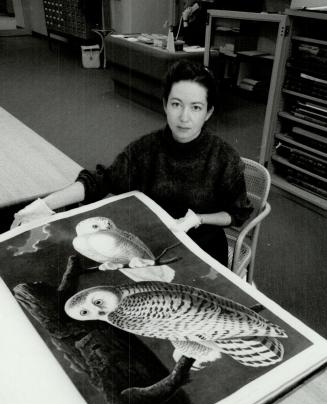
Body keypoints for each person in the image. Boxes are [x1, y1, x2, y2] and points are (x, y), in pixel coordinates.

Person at [11, 60, 253, 267]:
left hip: (202, 247)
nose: (184, 117)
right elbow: (100, 181)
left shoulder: (224, 158)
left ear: (208, 112)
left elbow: (236, 214)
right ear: (165, 105)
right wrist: (43, 205)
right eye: (176, 104)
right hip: (149, 243)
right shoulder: (145, 150)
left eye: (196, 107)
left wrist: (199, 218)